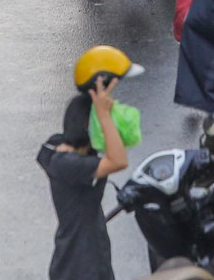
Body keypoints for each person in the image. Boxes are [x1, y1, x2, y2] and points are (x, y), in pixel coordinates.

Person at [37, 45, 143, 280]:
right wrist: (103, 116)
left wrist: (101, 101)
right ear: (89, 127)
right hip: (80, 269)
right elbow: (117, 161)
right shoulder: (68, 164)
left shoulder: (63, 148)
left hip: (89, 260)